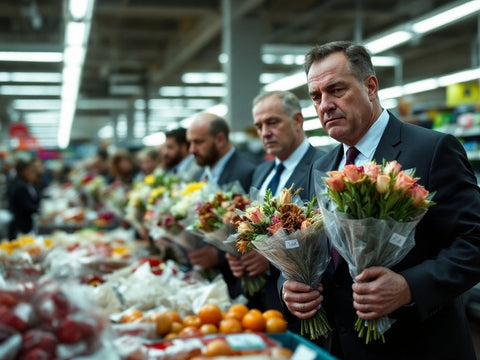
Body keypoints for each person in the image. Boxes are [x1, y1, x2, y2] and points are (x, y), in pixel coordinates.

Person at [281, 40, 480, 359]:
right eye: (316, 96)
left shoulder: (432, 150)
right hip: (339, 347)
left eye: (336, 90)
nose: (325, 105)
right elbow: (311, 244)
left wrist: (409, 286)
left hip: (416, 346)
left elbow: (474, 241)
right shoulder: (322, 166)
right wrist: (288, 284)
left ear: (370, 86)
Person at [226, 90, 323, 315]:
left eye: (272, 122)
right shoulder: (261, 171)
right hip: (260, 301)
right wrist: (240, 255)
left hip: (303, 304)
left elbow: (323, 241)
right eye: (259, 126)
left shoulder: (321, 167)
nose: (265, 133)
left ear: (297, 120)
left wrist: (270, 261)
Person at [186, 113, 256, 294]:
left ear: (220, 139)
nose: (192, 149)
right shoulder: (198, 176)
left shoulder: (247, 171)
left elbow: (254, 230)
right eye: (190, 143)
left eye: (198, 142)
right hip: (209, 280)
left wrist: (218, 256)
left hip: (240, 279)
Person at [7, 159, 40, 239]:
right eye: (31, 171)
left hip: (23, 223)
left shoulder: (26, 184)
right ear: (24, 172)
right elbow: (27, 206)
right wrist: (40, 211)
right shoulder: (20, 186)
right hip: (20, 225)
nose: (33, 174)